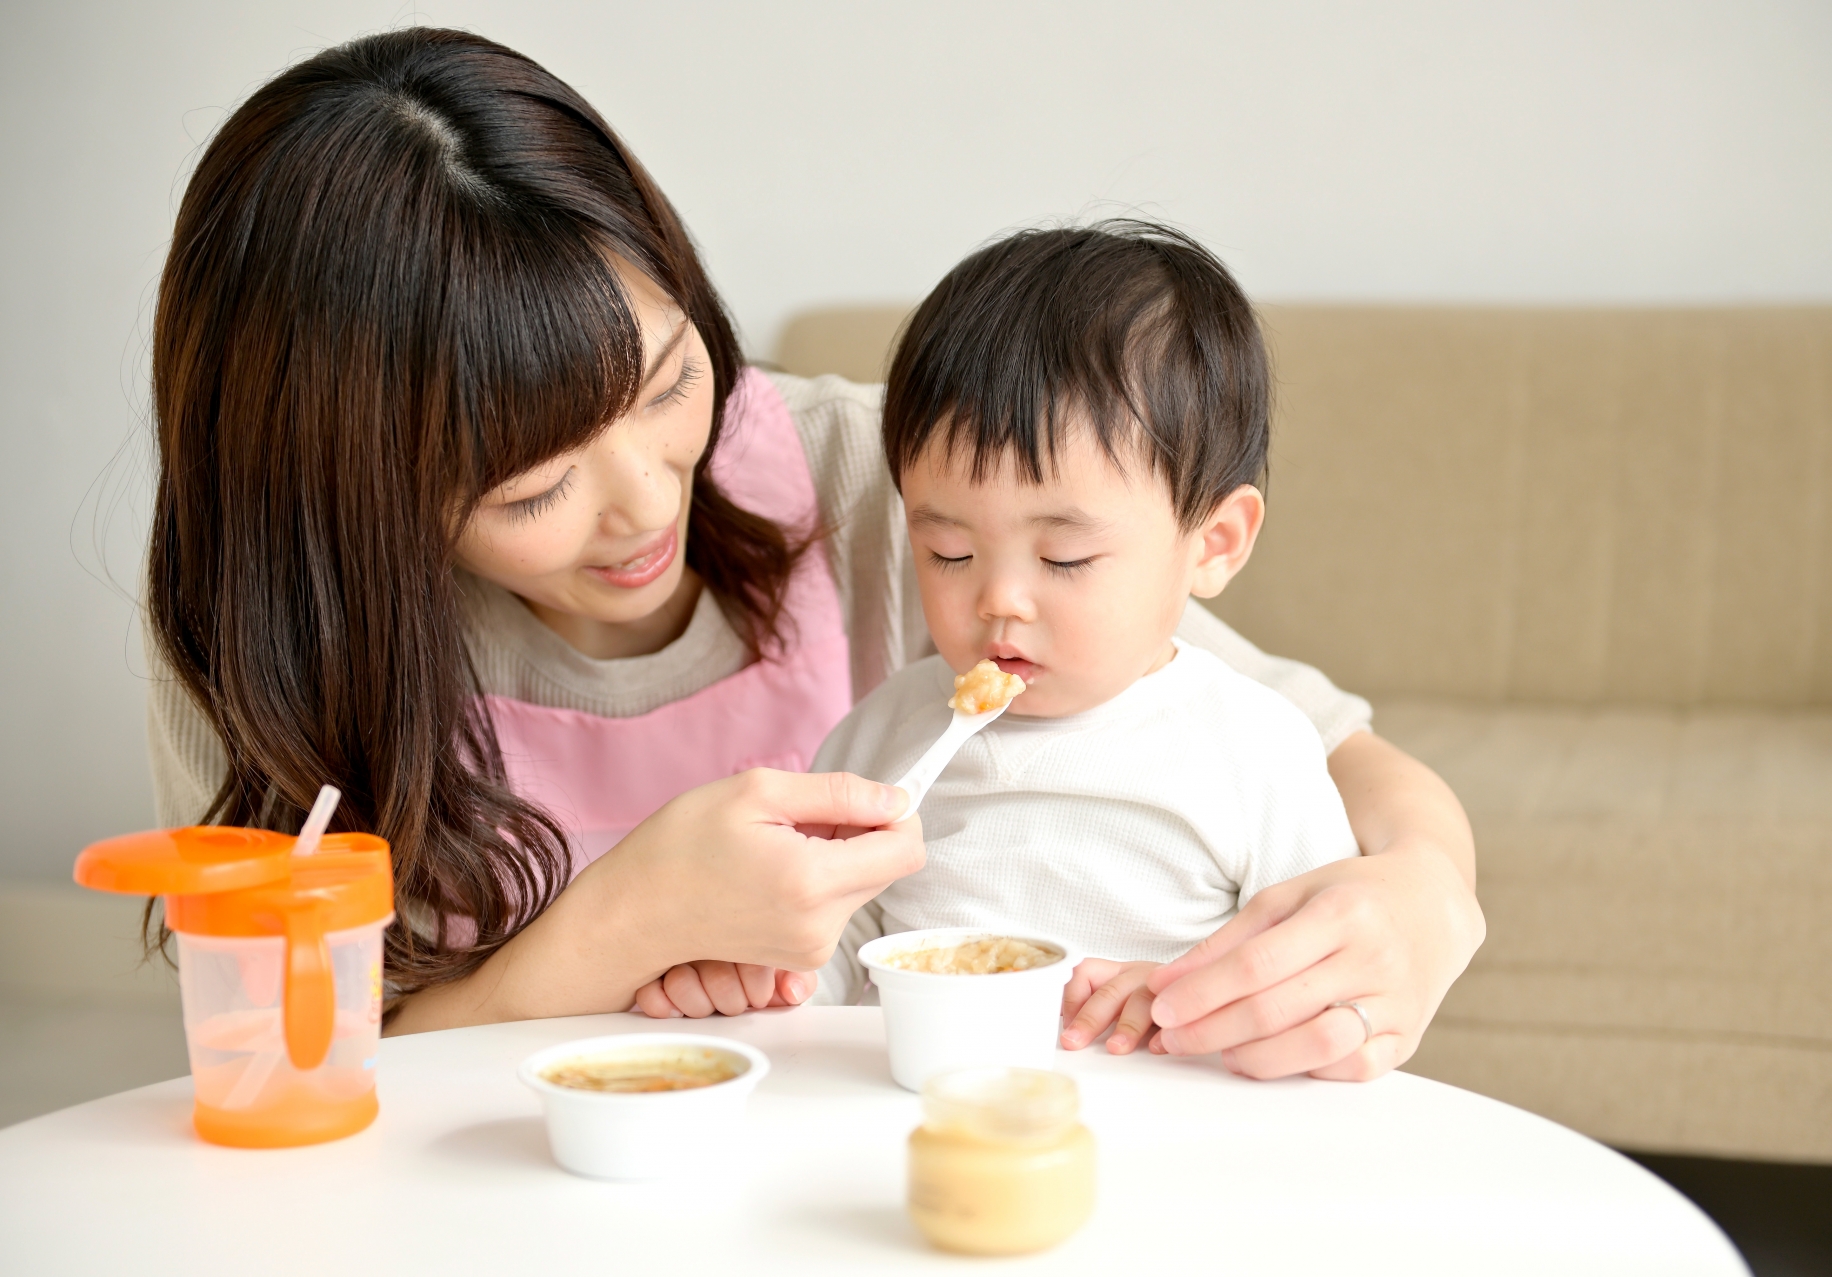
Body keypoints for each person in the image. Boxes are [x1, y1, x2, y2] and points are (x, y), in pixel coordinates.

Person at [143, 28, 1481, 1077]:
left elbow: (1332, 757)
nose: (646, 503)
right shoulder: (271, 630)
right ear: (353, 502)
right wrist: (624, 925)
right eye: (538, 483)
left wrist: (1423, 896)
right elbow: (282, 1071)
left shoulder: (883, 482)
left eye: (671, 382)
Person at [639, 222, 1376, 1068]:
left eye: (1063, 557)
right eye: (948, 552)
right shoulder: (889, 733)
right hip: (915, 1115)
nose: (998, 598)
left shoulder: (1254, 748)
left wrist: (1188, 1003)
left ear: (1212, 543)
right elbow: (836, 944)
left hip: (1161, 1130)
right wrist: (764, 978)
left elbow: (1316, 982)